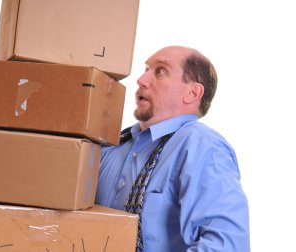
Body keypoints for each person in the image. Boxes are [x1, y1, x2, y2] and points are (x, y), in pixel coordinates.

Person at [95, 45, 250, 251]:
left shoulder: (202, 147)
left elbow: (227, 246)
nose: (141, 80)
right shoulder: (109, 146)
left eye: (160, 71)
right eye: (146, 70)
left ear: (192, 93)